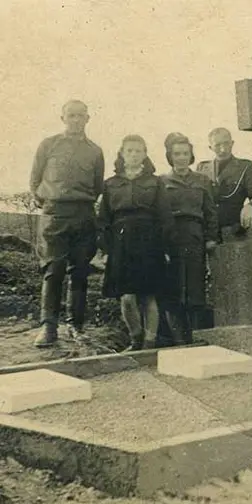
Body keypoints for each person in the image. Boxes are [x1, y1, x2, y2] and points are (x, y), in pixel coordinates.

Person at [29, 100, 105, 347]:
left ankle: (76, 325)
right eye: (71, 115)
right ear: (62, 118)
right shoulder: (48, 145)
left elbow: (96, 185)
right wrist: (51, 205)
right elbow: (35, 181)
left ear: (87, 118)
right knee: (53, 270)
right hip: (55, 215)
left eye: (80, 115)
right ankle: (48, 327)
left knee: (80, 271)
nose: (75, 120)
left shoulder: (95, 151)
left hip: (82, 214)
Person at [97, 135, 173, 350]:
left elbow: (165, 217)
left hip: (150, 243)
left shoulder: (155, 182)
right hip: (121, 243)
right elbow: (103, 220)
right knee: (127, 297)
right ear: (122, 153)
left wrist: (165, 247)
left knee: (149, 295)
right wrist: (106, 249)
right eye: (129, 150)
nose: (133, 154)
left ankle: (150, 343)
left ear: (145, 154)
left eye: (138, 151)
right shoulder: (110, 184)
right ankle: (135, 338)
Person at [161, 134, 219, 345]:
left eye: (185, 153)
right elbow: (159, 214)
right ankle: (178, 340)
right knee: (174, 290)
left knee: (195, 287)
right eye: (177, 154)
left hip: (195, 236)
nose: (182, 158)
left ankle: (196, 337)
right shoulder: (162, 182)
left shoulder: (202, 181)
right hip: (172, 237)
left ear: (191, 155)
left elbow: (211, 211)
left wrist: (211, 238)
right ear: (170, 156)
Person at [196, 127, 252, 240]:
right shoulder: (202, 168)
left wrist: (250, 206)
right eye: (217, 145)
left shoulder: (246, 167)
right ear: (210, 147)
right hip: (208, 231)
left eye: (226, 143)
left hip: (234, 230)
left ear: (232, 143)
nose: (223, 149)